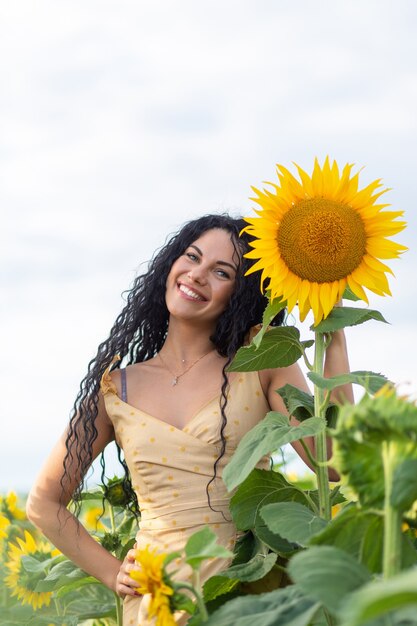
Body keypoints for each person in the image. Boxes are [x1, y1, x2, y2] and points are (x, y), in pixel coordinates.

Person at [26, 214, 353, 625]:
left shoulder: (262, 359)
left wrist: (334, 333)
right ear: (170, 265)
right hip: (156, 601)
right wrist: (112, 573)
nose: (197, 275)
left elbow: (335, 461)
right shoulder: (116, 388)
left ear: (242, 293)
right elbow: (43, 502)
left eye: (221, 271)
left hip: (249, 594)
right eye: (192, 257)